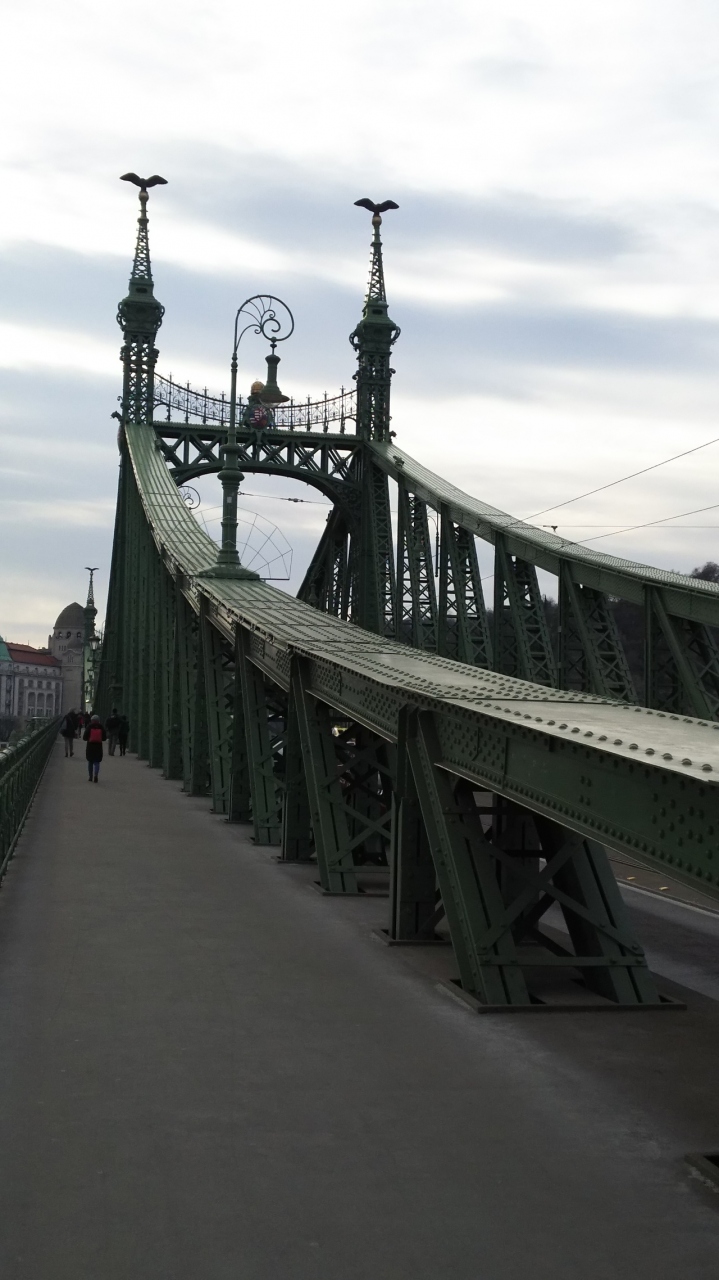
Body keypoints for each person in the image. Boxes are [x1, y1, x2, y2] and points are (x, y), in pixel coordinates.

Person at [83, 714, 107, 783]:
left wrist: (88, 738)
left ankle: (90, 776)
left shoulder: (89, 726)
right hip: (98, 746)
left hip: (90, 746)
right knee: (97, 762)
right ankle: (96, 775)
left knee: (90, 761)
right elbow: (104, 738)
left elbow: (84, 737)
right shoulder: (101, 727)